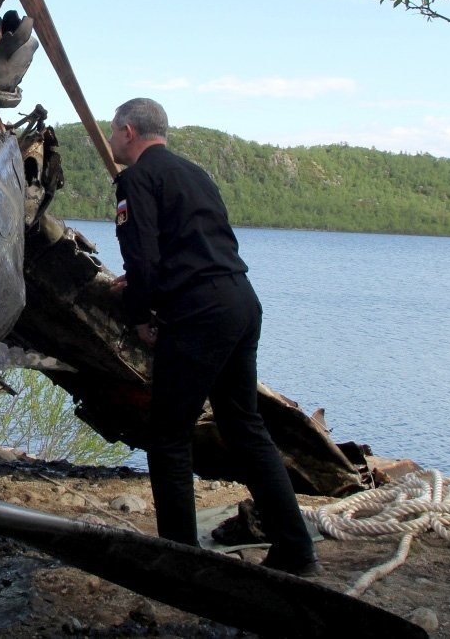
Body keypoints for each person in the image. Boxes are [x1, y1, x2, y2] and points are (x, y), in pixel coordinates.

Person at [108, 98, 320, 576]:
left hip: (199, 312)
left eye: (112, 130)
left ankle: (181, 559)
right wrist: (152, 282)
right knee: (244, 427)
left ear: (127, 131)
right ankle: (297, 549)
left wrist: (140, 312)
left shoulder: (136, 179)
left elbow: (143, 257)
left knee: (167, 435)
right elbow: (197, 243)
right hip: (241, 300)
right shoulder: (196, 174)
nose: (112, 139)